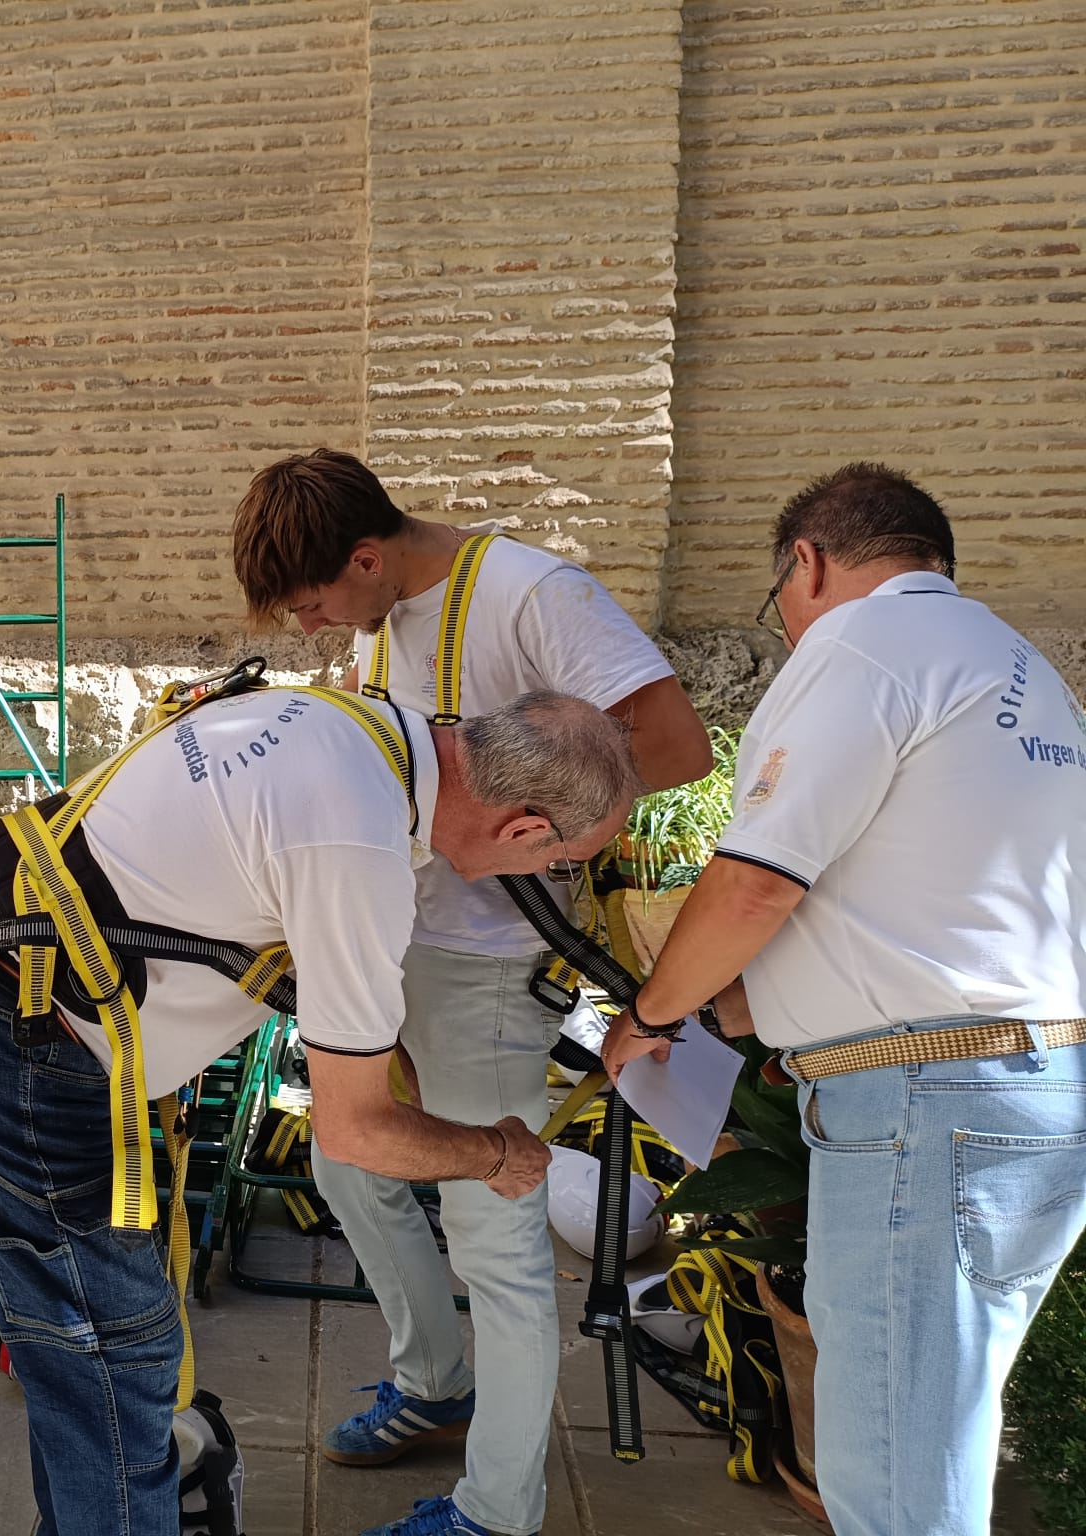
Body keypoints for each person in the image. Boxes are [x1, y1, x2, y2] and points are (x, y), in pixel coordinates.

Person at [0, 680, 644, 1536]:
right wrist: (498, 1154)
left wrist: (410, 1088)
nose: (548, 874)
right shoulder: (360, 845)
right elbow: (354, 1129)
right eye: (561, 861)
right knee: (112, 1356)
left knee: (88, 1356)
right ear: (527, 829)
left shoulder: (354, 725)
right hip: (8, 1035)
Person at [230, 448, 711, 1536]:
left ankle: (498, 1510)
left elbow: (674, 747)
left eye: (314, 603)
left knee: (493, 1230)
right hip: (393, 943)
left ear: (364, 554)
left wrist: (541, 807)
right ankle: (436, 1384)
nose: (313, 626)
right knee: (347, 1157)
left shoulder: (533, 596)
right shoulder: (386, 616)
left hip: (493, 960)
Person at [602, 463, 1086, 1536]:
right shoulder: (1013, 664)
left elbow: (757, 879)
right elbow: (923, 891)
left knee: (889, 1481)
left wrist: (650, 1013)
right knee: (934, 1431)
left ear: (805, 564)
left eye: (775, 599)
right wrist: (751, 1004)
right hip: (1029, 1092)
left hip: (924, 1101)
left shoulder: (857, 645)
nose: (779, 626)